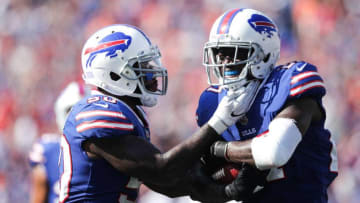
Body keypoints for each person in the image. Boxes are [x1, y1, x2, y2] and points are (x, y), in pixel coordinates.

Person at [58, 24, 252, 203]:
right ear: (113, 74)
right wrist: (219, 121)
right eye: (143, 68)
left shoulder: (129, 113)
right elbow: (162, 170)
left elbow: (169, 185)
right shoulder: (97, 111)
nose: (153, 75)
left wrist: (228, 190)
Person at [197, 8, 338, 202]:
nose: (224, 62)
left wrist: (221, 149)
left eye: (233, 52)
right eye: (219, 54)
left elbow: (274, 151)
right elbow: (199, 180)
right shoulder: (211, 101)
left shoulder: (288, 81)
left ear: (263, 55)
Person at [28, 82, 88, 203]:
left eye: (83, 111)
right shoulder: (47, 150)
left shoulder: (104, 149)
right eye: (71, 110)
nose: (77, 117)